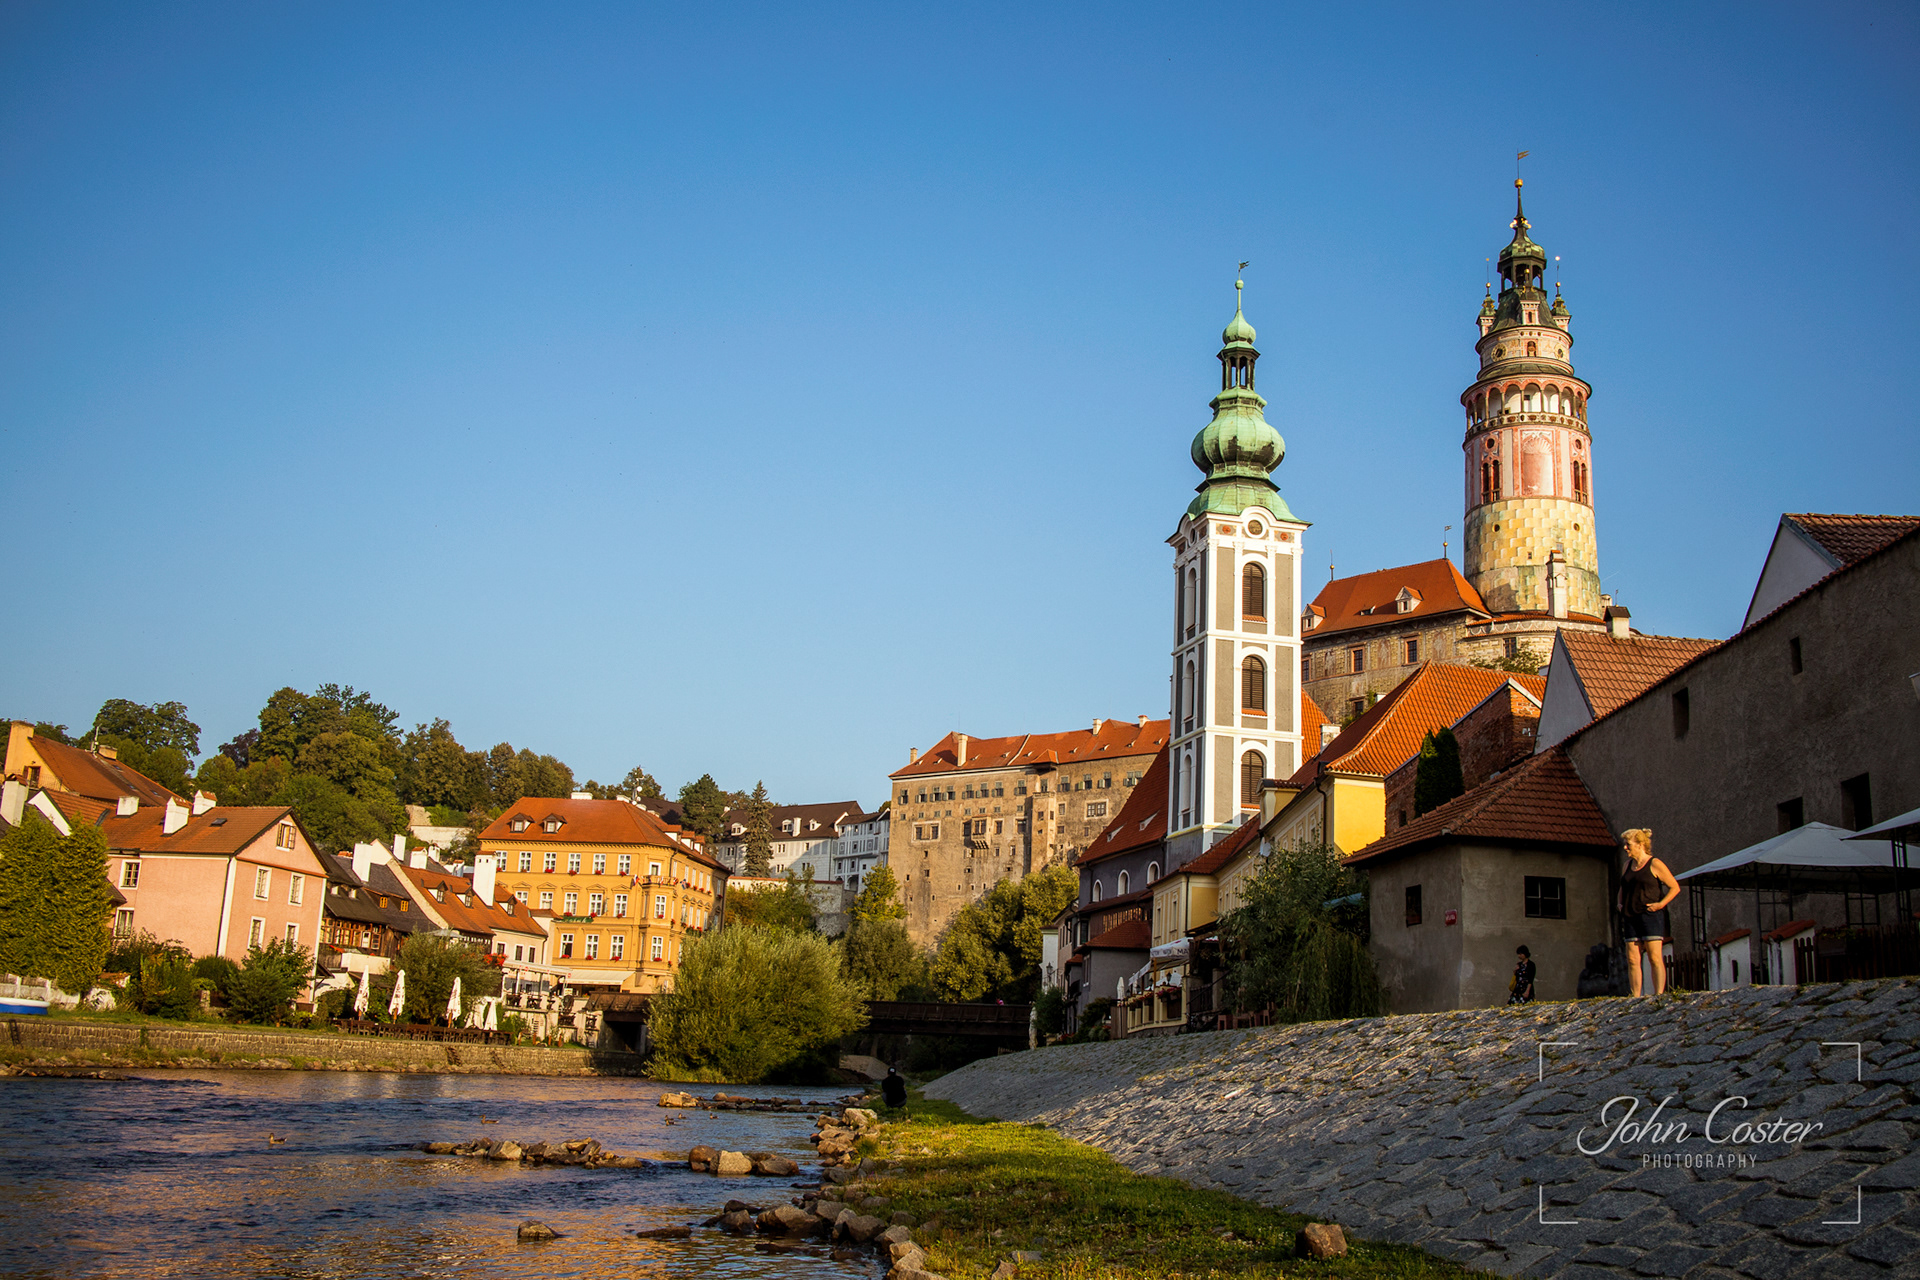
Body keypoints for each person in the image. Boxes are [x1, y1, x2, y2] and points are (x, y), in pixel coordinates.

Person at [1617, 828, 1680, 996]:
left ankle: (1659, 994)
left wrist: (1661, 904)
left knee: (1654, 957)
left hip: (1650, 915)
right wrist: (1620, 902)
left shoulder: (1655, 864)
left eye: (1628, 844)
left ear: (1640, 845)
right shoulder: (1627, 866)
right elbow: (1623, 886)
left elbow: (1674, 887)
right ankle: (1635, 995)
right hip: (1630, 915)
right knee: (1632, 959)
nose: (1625, 848)